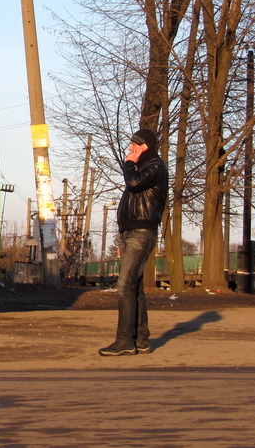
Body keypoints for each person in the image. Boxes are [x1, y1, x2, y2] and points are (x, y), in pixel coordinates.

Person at [99, 127, 168, 357]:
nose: (130, 149)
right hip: (130, 233)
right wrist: (121, 237)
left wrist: (129, 164)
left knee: (124, 285)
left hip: (142, 232)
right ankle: (142, 339)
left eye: (133, 145)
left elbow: (134, 184)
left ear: (144, 147)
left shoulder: (156, 167)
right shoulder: (144, 168)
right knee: (135, 286)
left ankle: (125, 341)